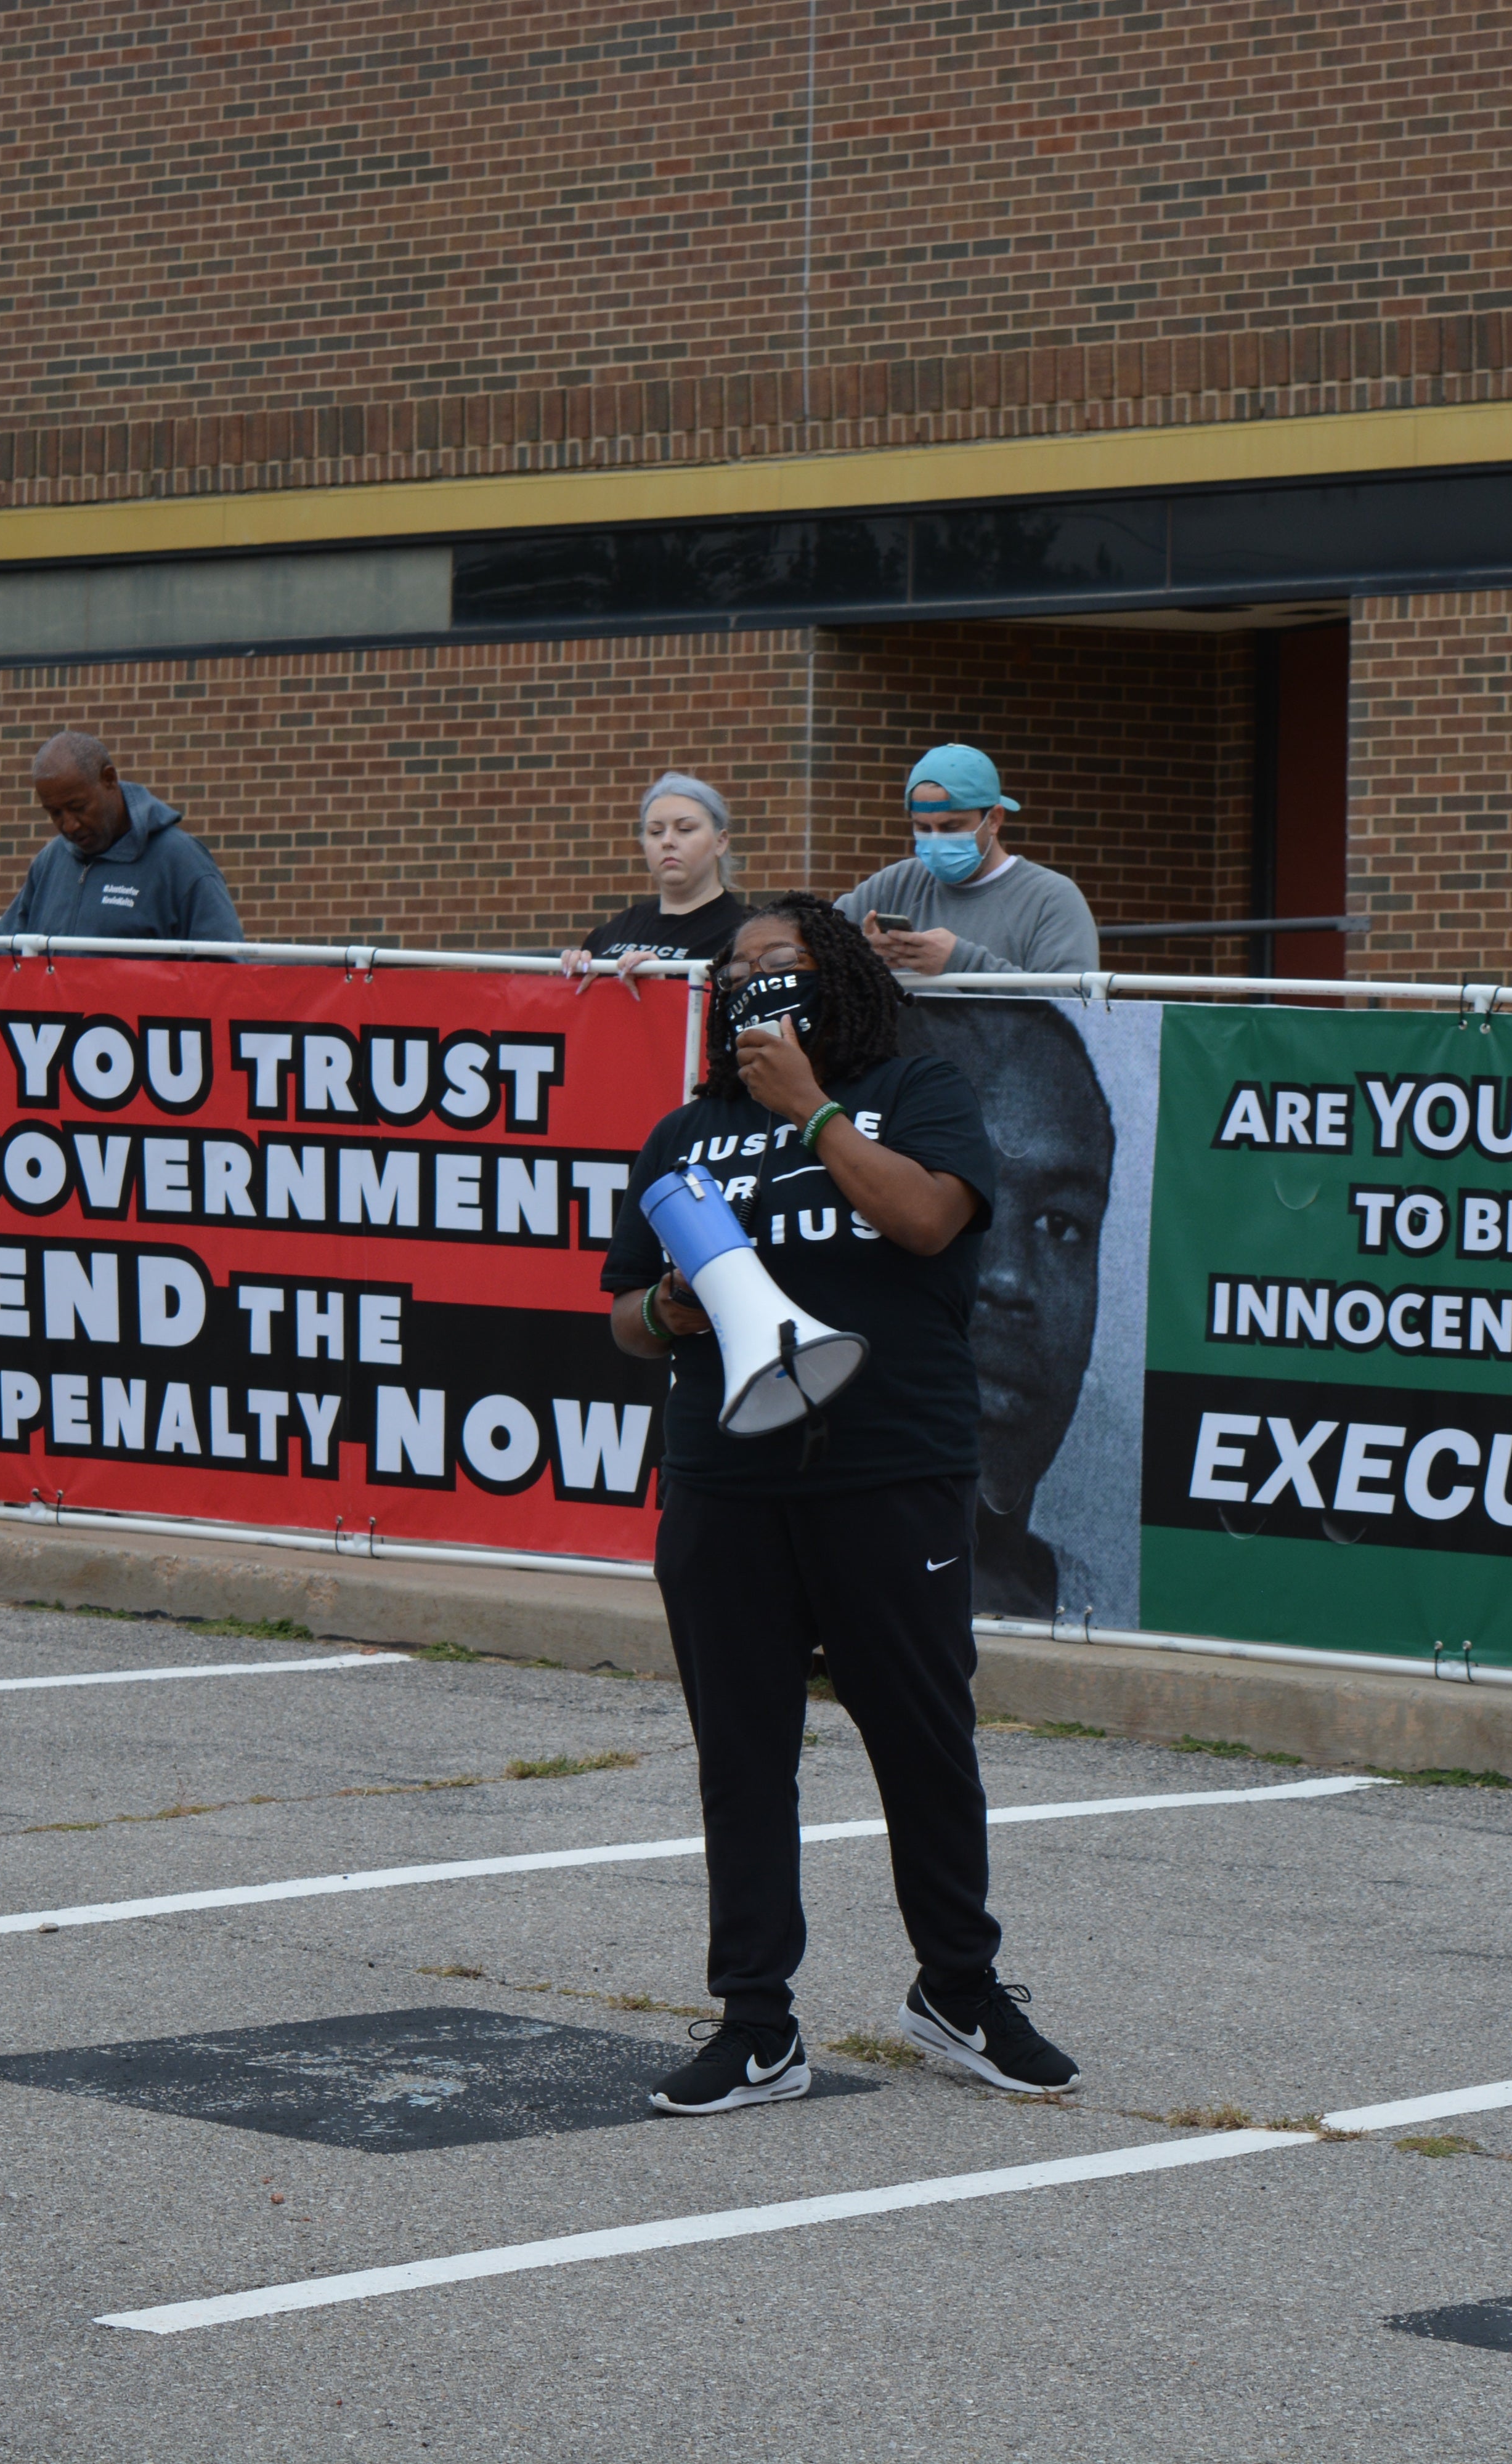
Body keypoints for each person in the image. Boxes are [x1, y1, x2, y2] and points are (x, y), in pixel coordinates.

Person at [604, 893, 1081, 2113]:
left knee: (924, 1739)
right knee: (745, 1753)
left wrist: (811, 1109)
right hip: (727, 1478)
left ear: (842, 978)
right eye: (743, 968)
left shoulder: (918, 1093)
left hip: (888, 1467)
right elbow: (620, 1313)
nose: (762, 980)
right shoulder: (681, 1133)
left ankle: (959, 1987)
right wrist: (669, 1310)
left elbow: (924, 1220)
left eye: (789, 962)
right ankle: (757, 2021)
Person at [908, 999, 1114, 1617]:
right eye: (965, 1207)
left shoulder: (1107, 1617)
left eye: (1062, 1224)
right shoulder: (793, 1581)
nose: (1007, 1277)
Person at [0, 731, 241, 956]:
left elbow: (225, 971)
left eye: (78, 807)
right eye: (54, 813)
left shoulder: (181, 860)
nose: (68, 825)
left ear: (109, 780)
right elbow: (8, 953)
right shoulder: (50, 861)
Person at [837, 743, 1100, 980]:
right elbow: (810, 938)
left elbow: (1073, 1007)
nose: (936, 841)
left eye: (952, 827)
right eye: (923, 828)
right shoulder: (898, 883)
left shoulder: (1051, 898)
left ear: (995, 819)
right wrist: (858, 953)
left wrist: (962, 963)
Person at [562, 771, 749, 985]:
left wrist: (663, 992)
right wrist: (575, 979)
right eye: (656, 832)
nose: (667, 841)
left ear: (721, 842)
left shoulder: (746, 936)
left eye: (685, 829)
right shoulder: (612, 932)